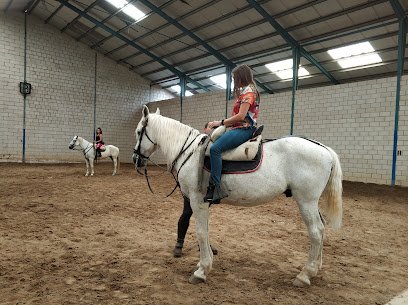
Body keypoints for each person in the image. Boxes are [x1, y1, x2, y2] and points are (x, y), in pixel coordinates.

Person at [204, 64, 260, 204]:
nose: (234, 81)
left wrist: (220, 122)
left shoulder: (249, 93)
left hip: (244, 129)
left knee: (215, 149)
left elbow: (241, 116)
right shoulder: (247, 91)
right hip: (238, 128)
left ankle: (216, 188)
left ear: (241, 77)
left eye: (235, 78)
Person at [173, 123, 218, 258]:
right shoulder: (199, 143)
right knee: (186, 213)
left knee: (202, 217)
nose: (211, 131)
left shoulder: (209, 145)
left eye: (212, 129)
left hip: (202, 188)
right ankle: (179, 244)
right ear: (205, 130)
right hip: (193, 187)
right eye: (209, 128)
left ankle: (203, 245)